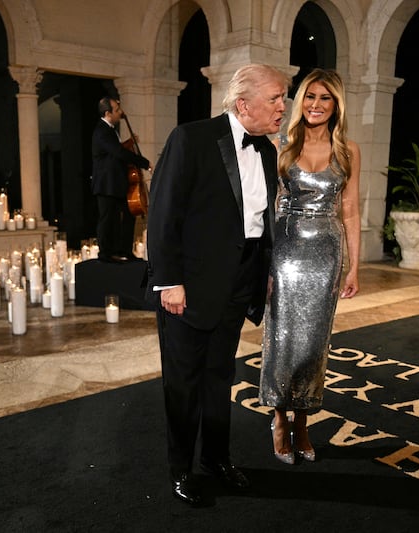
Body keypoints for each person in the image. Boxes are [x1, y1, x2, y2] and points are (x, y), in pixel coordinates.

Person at [146, 64, 289, 505]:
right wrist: (169, 282)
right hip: (187, 289)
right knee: (183, 383)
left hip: (238, 285)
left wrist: (262, 275)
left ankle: (217, 459)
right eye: (275, 99)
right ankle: (180, 469)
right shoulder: (190, 139)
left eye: (284, 98)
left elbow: (259, 223)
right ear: (244, 104)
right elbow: (163, 215)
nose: (284, 107)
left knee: (219, 378)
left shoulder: (266, 152)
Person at [258, 68, 361, 465]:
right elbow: (266, 208)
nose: (316, 105)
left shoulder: (348, 149)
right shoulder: (281, 145)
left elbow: (350, 210)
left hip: (326, 253)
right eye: (311, 97)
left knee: (315, 344)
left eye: (325, 98)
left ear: (336, 105)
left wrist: (353, 267)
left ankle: (303, 420)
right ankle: (279, 418)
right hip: (284, 251)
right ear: (300, 101)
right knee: (282, 339)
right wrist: (264, 263)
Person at [91, 96, 152, 262]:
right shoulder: (102, 130)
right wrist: (144, 162)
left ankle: (124, 250)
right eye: (117, 110)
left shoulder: (110, 130)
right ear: (108, 113)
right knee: (107, 219)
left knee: (128, 215)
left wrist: (129, 143)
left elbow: (114, 151)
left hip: (116, 182)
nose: (120, 112)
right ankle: (105, 254)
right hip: (106, 184)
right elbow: (118, 153)